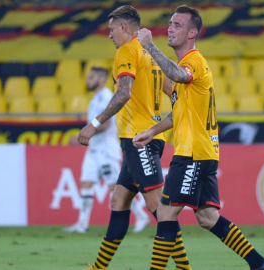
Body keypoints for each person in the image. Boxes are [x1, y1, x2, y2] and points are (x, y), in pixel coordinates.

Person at [134, 5, 264, 270]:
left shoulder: (193, 61)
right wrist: (151, 132)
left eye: (177, 25)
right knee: (209, 217)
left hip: (192, 153)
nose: (170, 28)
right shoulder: (186, 67)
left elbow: (177, 74)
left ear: (192, 32)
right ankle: (260, 264)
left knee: (165, 213)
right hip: (203, 153)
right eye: (170, 23)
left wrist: (150, 48)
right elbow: (178, 115)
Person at [77, 5, 192, 270]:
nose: (109, 35)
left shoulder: (126, 50)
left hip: (138, 139)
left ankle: (185, 267)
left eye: (111, 29)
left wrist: (94, 124)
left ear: (124, 27)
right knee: (118, 201)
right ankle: (98, 267)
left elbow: (124, 92)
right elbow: (171, 91)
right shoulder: (147, 52)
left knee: (160, 211)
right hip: (145, 138)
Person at [63, 67, 151, 234]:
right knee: (86, 184)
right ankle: (82, 224)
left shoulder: (105, 97)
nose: (88, 81)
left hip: (106, 150)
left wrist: (86, 132)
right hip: (94, 150)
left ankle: (141, 216)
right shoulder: (95, 99)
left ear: (101, 79)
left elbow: (107, 124)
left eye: (91, 77)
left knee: (115, 187)